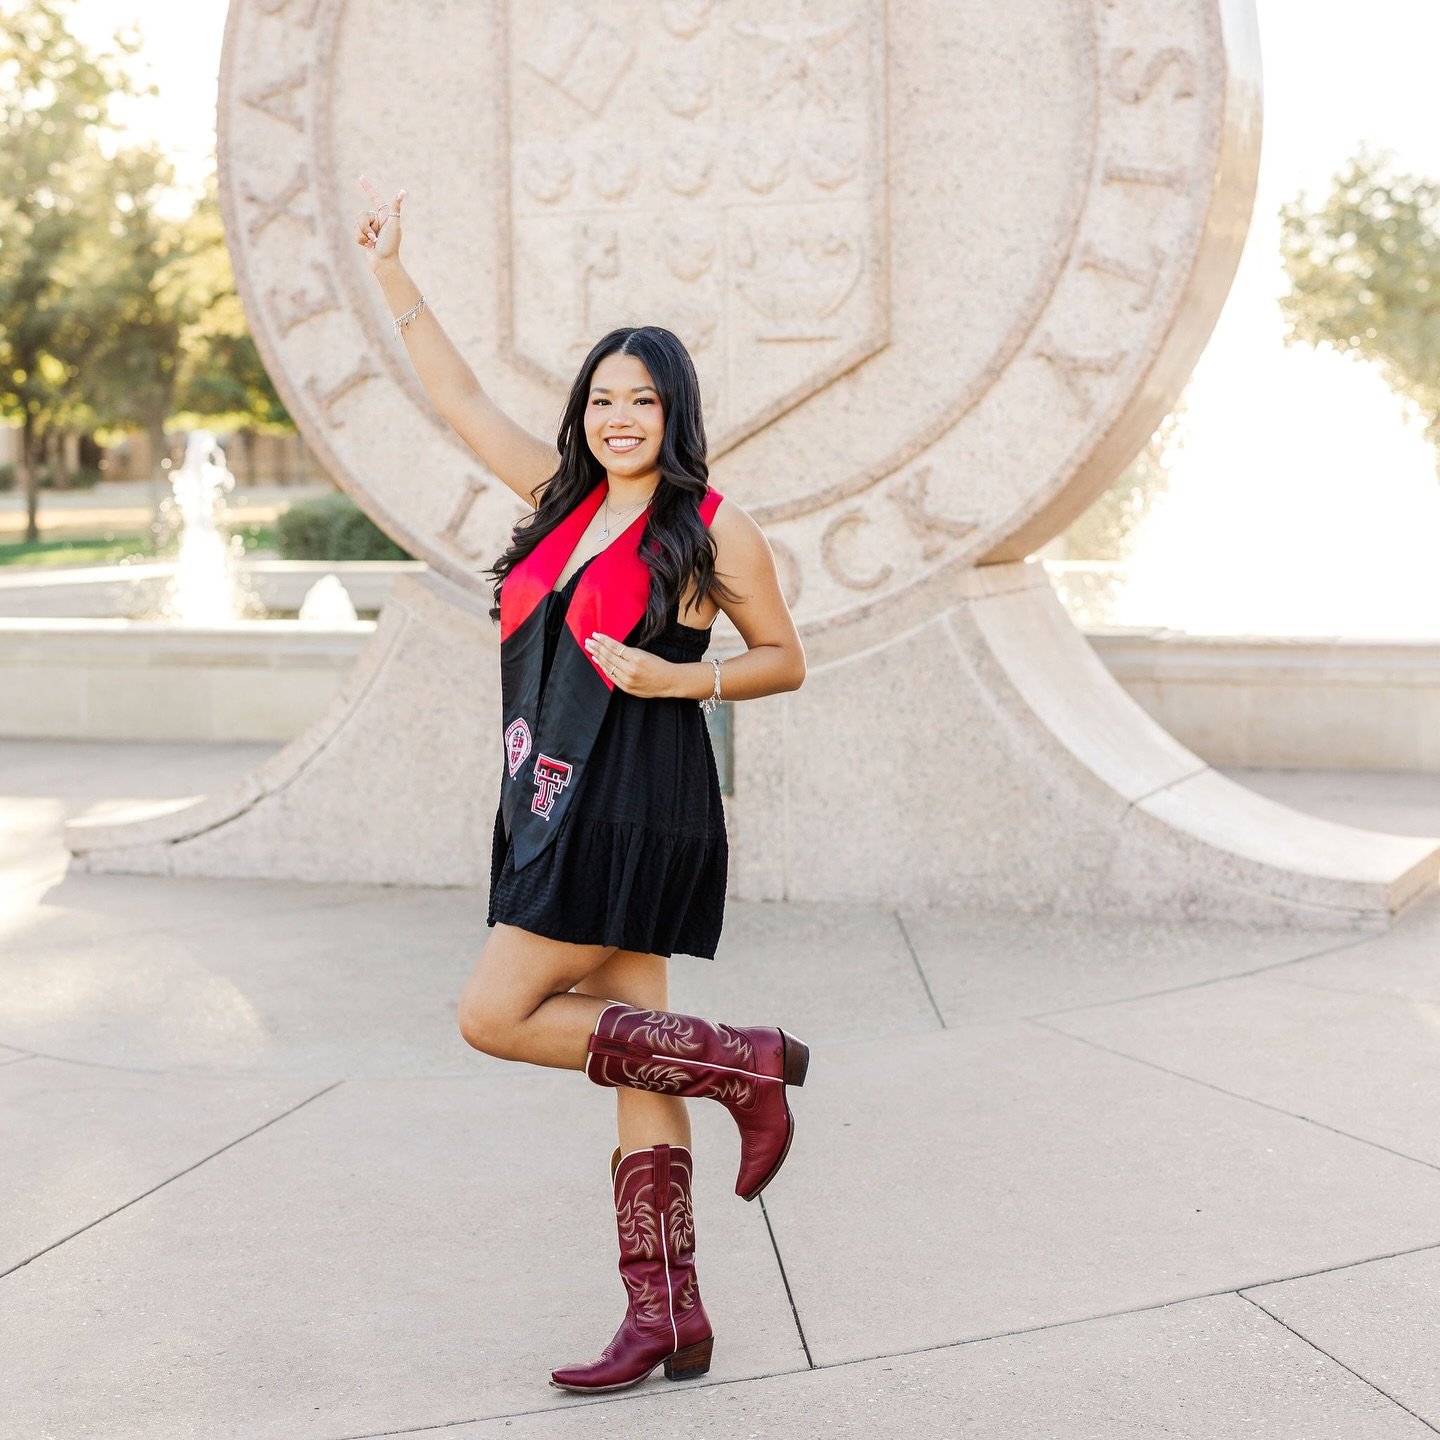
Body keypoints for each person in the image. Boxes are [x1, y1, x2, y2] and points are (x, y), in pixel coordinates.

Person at [354, 178, 811, 1393]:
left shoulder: (710, 524)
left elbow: (786, 659)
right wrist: (395, 270)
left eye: (641, 400)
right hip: (548, 800)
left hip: (635, 804)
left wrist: (678, 686)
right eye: (602, 399)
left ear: (676, 412)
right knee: (634, 1061)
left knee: (491, 1015)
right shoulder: (556, 505)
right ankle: (667, 1313)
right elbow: (454, 398)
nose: (619, 417)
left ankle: (742, 1062)